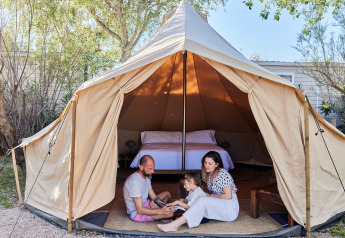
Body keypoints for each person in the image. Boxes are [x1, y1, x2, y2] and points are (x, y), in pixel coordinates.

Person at [157, 151, 239, 232]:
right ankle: (180, 220)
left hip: (230, 207)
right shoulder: (209, 174)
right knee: (197, 201)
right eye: (205, 162)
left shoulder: (222, 173)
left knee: (202, 200)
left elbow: (228, 196)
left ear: (217, 164)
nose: (206, 165)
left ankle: (175, 225)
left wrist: (210, 196)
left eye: (210, 164)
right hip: (220, 203)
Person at [123, 155, 175, 222]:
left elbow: (154, 197)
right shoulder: (133, 182)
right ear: (141, 167)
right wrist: (161, 211)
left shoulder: (146, 178)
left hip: (147, 204)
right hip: (137, 213)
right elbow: (140, 210)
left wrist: (166, 206)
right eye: (150, 169)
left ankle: (162, 214)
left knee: (167, 194)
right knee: (170, 214)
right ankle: (162, 216)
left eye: (153, 168)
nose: (153, 171)